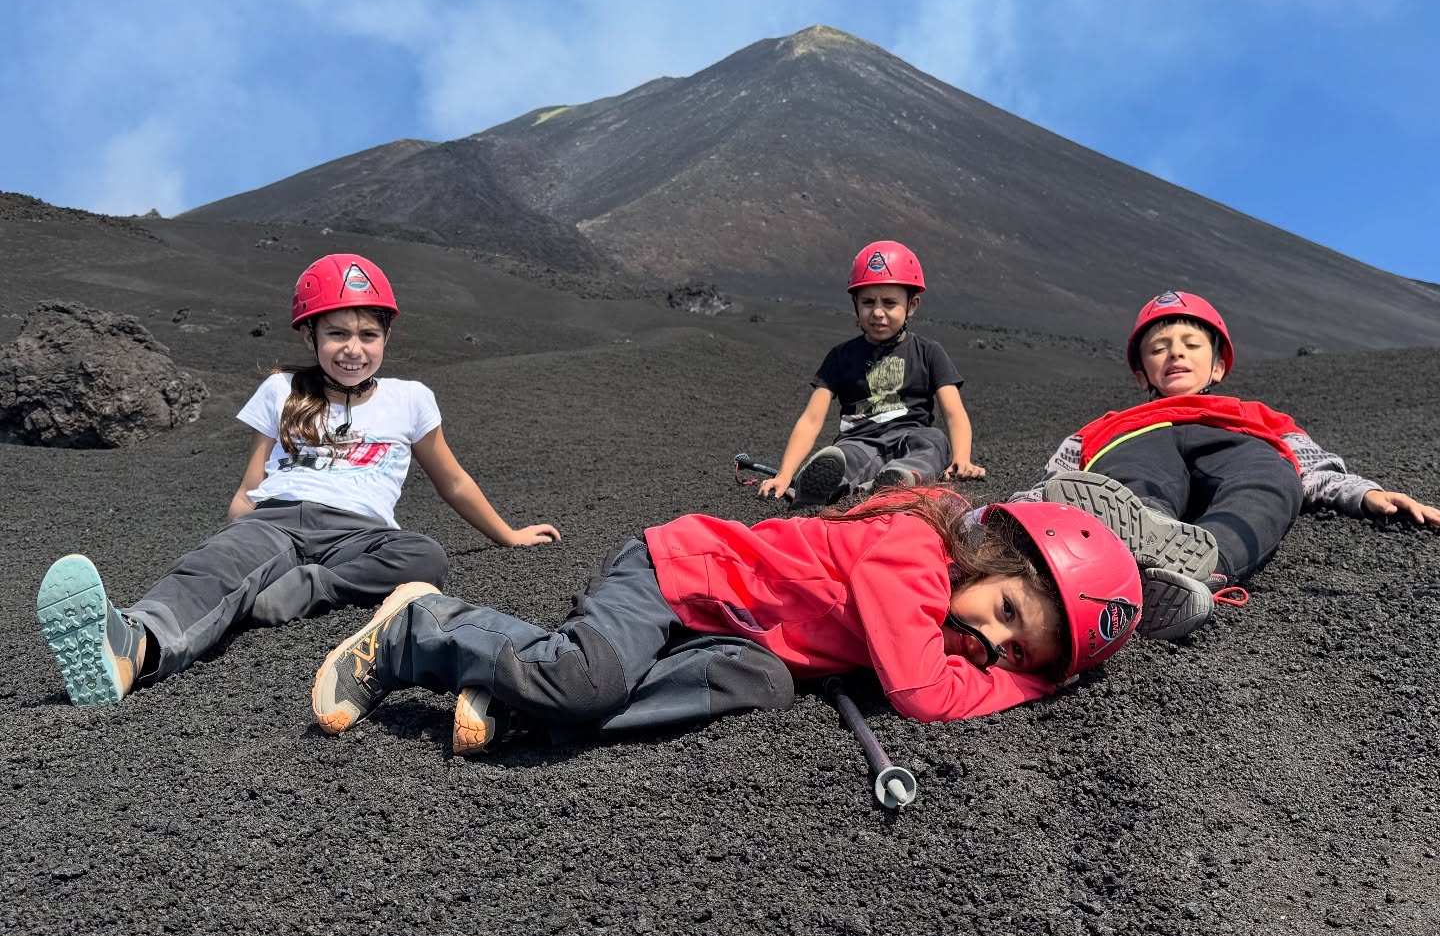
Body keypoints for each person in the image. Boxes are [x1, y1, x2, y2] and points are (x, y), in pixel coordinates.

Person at [37, 253, 560, 707]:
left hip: (360, 534)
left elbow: (454, 482)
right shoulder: (282, 389)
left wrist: (508, 535)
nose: (353, 348)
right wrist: (239, 538)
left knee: (424, 556)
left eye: (368, 334)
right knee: (212, 568)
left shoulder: (412, 398)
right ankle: (134, 645)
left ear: (387, 337)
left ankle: (289, 593)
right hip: (280, 518)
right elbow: (249, 485)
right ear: (309, 334)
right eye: (337, 333)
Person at [311, 485, 1146, 757]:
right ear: (992, 556)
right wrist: (1038, 681)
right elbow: (925, 694)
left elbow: (937, 670)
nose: (995, 644)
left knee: (767, 682)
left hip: (729, 635)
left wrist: (1022, 658)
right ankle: (416, 629)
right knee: (586, 680)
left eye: (1015, 648)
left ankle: (513, 684)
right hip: (674, 578)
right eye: (1006, 612)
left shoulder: (948, 608)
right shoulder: (910, 556)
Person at [1012, 289, 1440, 642]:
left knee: (1270, 480)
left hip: (1236, 441)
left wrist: (1364, 493)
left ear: (1218, 364)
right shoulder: (1106, 427)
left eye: (1191, 345)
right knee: (1131, 477)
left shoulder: (1255, 415)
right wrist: (1015, 513)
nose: (1175, 354)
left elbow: (1310, 468)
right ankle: (1145, 534)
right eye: (1158, 349)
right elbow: (1060, 482)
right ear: (1142, 374)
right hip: (1138, 439)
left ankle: (1204, 568)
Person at [758, 241, 985, 508]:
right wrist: (784, 475)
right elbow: (811, 419)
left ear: (912, 305)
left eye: (890, 303)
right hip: (859, 440)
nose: (878, 312)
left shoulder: (929, 352)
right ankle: (830, 488)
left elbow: (953, 411)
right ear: (855, 303)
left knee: (934, 441)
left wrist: (962, 457)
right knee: (843, 457)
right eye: (868, 302)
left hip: (910, 437)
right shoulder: (840, 356)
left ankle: (898, 479)